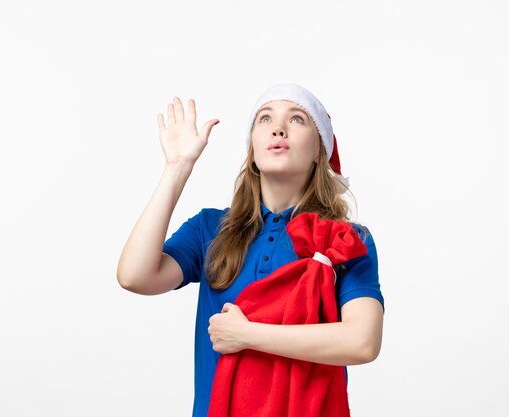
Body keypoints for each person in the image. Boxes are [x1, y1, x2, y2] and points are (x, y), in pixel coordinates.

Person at [117, 83, 385, 417]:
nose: (278, 127)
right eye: (265, 118)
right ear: (252, 151)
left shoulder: (346, 239)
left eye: (298, 119)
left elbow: (362, 341)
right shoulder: (209, 229)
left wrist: (247, 335)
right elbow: (134, 276)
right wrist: (177, 167)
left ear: (320, 150)